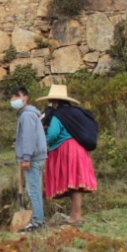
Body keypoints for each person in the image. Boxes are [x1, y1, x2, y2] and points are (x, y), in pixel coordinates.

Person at [38, 85, 98, 226]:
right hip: (79, 149)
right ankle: (76, 214)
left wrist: (43, 143)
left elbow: (53, 133)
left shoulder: (59, 115)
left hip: (67, 150)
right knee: (75, 184)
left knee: (73, 184)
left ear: (56, 102)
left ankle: (76, 216)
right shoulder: (75, 112)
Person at [11, 86, 49, 232]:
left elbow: (29, 137)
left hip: (32, 158)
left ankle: (38, 221)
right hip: (38, 156)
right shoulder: (31, 114)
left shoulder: (26, 115)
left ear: (25, 98)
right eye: (12, 98)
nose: (14, 100)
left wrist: (26, 157)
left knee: (33, 190)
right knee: (34, 188)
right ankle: (38, 219)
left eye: (17, 97)